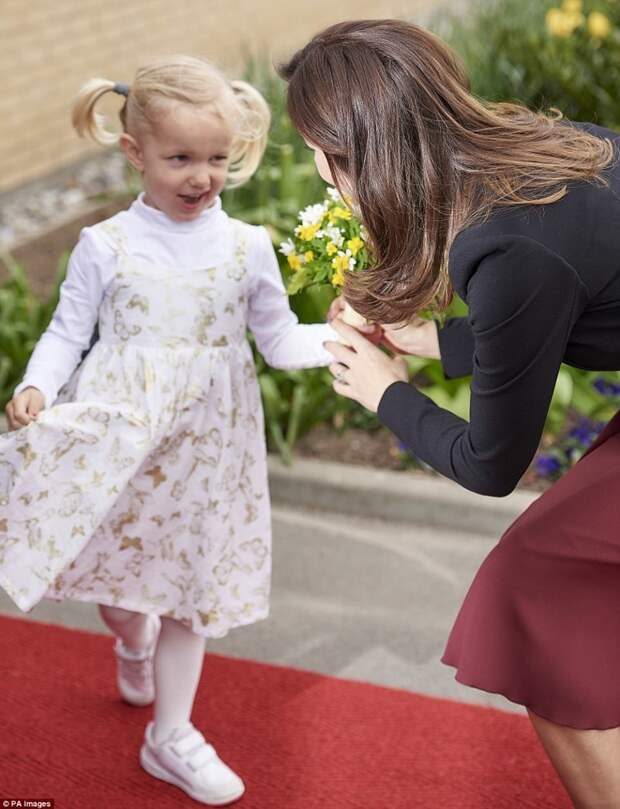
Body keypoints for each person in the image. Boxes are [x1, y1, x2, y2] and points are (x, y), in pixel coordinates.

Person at [280, 19, 620, 809]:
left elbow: (490, 463)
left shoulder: (506, 247)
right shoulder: (532, 148)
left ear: (360, 157)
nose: (327, 183)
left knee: (529, 594)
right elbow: (559, 302)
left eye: (325, 166)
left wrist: (383, 390)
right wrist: (432, 339)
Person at [0, 55, 337, 806]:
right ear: (134, 153)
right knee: (122, 585)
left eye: (216, 158)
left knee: (190, 587)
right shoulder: (106, 245)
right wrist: (35, 385)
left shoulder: (246, 246)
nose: (201, 176)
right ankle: (130, 638)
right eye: (180, 158)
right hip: (121, 441)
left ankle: (170, 734)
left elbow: (279, 341)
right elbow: (65, 333)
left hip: (209, 451)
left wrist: (350, 340)